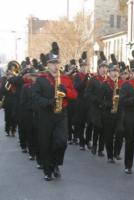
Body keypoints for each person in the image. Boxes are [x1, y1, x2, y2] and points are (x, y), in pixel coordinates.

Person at [32, 42, 77, 181]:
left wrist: (66, 91)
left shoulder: (65, 78)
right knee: (46, 143)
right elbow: (35, 97)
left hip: (61, 114)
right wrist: (49, 102)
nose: (55, 66)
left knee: (62, 142)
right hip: (46, 115)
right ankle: (48, 170)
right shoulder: (41, 79)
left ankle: (56, 163)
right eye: (52, 63)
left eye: (57, 62)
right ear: (47, 65)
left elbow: (75, 95)